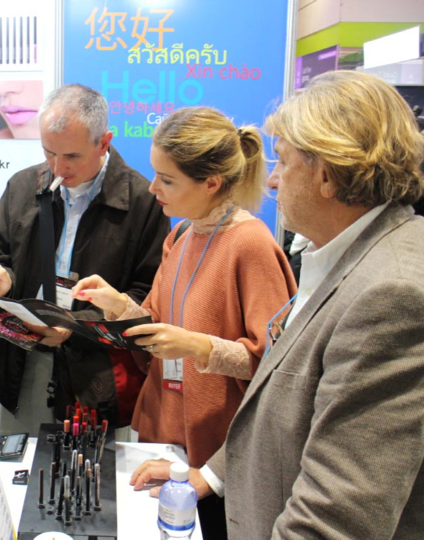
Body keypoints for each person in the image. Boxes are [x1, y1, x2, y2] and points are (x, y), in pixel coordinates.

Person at [187, 70, 424, 539]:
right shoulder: (350, 254)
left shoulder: (392, 297)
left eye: (283, 162)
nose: (273, 181)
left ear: (326, 174)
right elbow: (289, 409)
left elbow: (335, 518)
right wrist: (212, 475)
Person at [73, 106, 297, 539]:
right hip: (165, 436)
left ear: (211, 182)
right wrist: (119, 305)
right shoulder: (180, 235)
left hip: (218, 459)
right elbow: (158, 327)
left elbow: (276, 366)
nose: (153, 188)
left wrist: (199, 347)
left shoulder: (251, 245)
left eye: (167, 179)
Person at [0, 84, 170, 437]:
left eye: (72, 156)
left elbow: (147, 297)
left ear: (104, 143)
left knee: (90, 470)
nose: (58, 167)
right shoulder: (22, 186)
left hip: (98, 377)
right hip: (24, 366)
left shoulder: (144, 201)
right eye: (48, 152)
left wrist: (77, 325)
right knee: (18, 461)